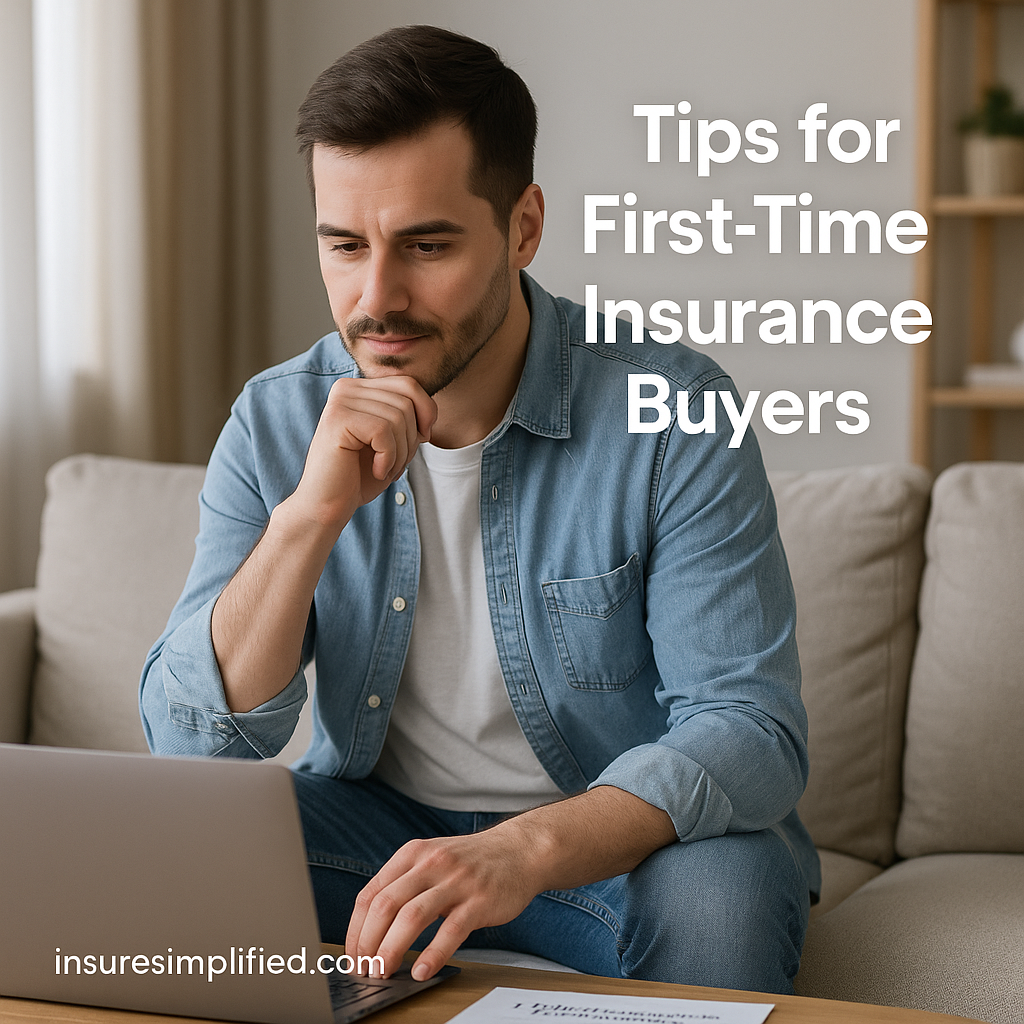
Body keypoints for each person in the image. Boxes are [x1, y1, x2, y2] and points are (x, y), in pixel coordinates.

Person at [140, 24, 820, 994]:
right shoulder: (277, 417)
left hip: (616, 844)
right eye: (345, 246)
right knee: (165, 849)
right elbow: (189, 745)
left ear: (523, 226)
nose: (377, 298)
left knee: (724, 904)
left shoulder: (672, 411)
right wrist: (308, 517)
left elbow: (748, 726)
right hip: (374, 829)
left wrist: (522, 849)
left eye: (427, 245)